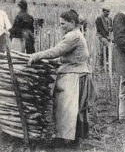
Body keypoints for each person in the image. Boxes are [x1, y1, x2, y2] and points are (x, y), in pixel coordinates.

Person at [28, 10, 96, 148]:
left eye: (63, 24)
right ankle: (72, 139)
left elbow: (56, 51)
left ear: (72, 23)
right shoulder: (75, 35)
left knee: (67, 109)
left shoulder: (73, 36)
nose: (61, 26)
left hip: (74, 76)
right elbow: (66, 56)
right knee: (74, 109)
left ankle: (64, 140)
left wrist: (36, 56)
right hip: (76, 73)